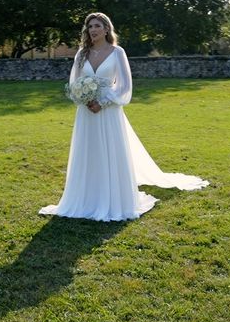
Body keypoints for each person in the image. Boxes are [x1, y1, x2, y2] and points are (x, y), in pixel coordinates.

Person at [40, 12, 209, 221]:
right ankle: (85, 198)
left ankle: (112, 198)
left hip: (108, 111)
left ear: (107, 29)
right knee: (88, 152)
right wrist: (84, 99)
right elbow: (74, 83)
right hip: (86, 112)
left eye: (97, 26)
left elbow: (125, 87)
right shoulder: (81, 54)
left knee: (109, 152)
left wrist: (102, 102)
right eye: (90, 26)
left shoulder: (117, 52)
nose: (93, 30)